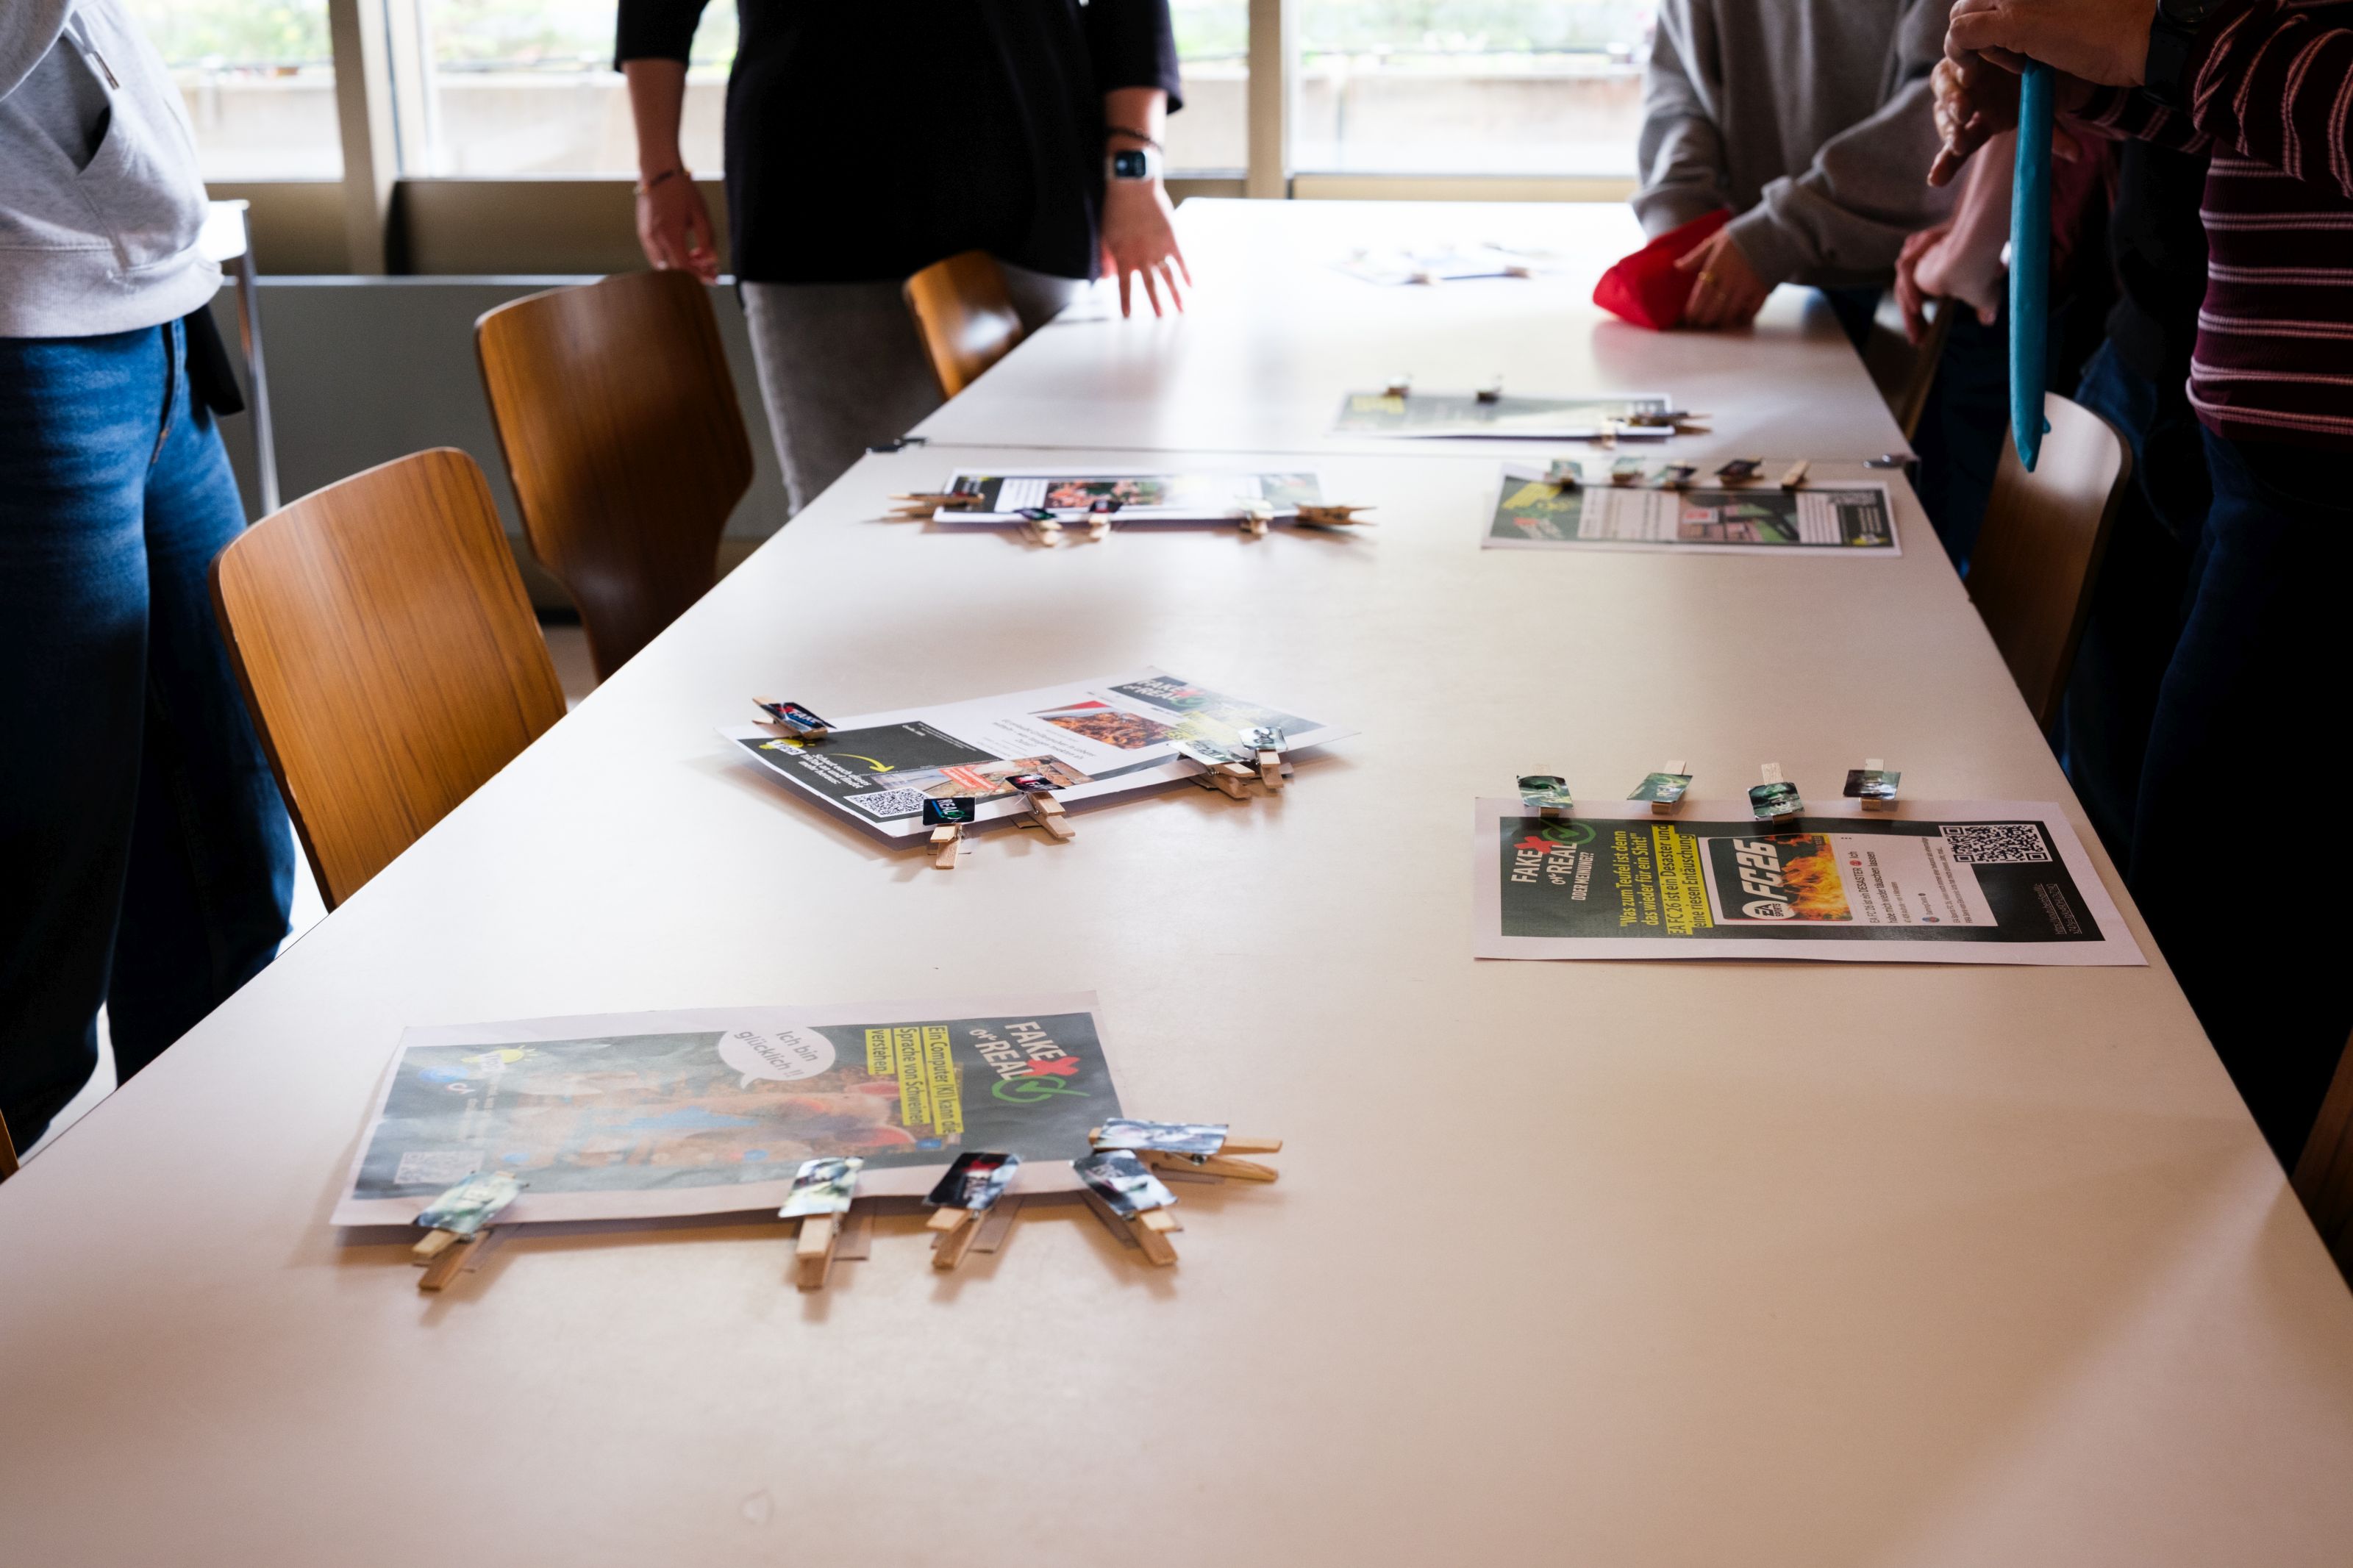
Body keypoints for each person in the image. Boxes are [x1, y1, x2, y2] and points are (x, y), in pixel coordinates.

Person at [1934, 0, 2353, 1163]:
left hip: (2321, 495)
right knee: (2191, 982)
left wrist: (2166, 47)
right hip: (2264, 463)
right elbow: (2283, 134)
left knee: (2210, 1028)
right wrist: (2098, 85)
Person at [1, 0, 294, 1150]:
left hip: (156, 304)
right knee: (47, 870)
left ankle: (211, 1185)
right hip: (24, 331)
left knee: (227, 828)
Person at [616, 1, 1190, 514]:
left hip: (1032, 183)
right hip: (816, 195)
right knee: (843, 522)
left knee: (1062, 521)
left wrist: (1134, 170)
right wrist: (659, 170)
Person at [1635, 0, 1958, 346]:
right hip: (1743, 282)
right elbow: (1681, 92)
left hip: (1907, 285)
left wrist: (1782, 232)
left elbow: (1946, 97)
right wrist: (1683, 240)